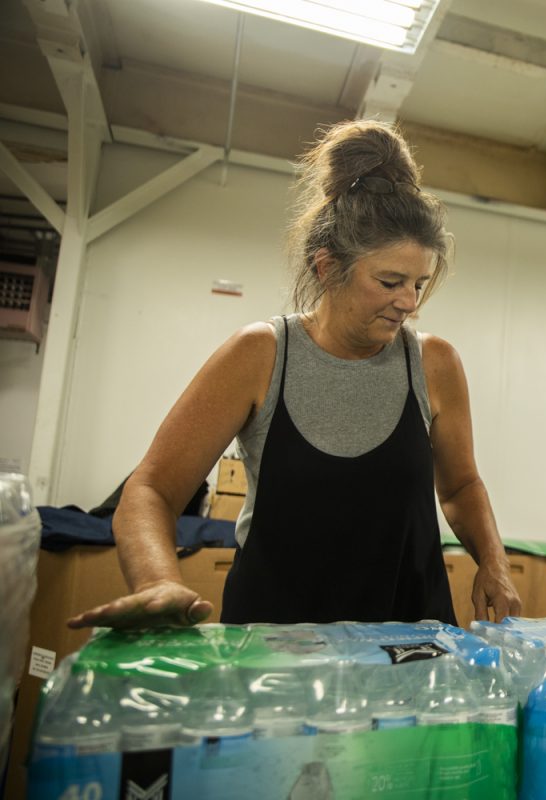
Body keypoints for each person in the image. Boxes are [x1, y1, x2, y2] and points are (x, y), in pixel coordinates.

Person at [69, 120, 520, 630]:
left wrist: (494, 561)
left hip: (407, 644)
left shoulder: (434, 364)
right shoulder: (261, 355)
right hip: (277, 649)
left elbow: (459, 487)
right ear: (327, 268)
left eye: (419, 283)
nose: (410, 303)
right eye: (390, 281)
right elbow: (151, 489)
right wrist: (159, 582)